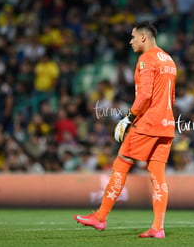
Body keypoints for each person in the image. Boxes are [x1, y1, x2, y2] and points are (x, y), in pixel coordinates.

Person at [74, 21, 177, 238]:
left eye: (132, 37)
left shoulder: (146, 59)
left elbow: (145, 95)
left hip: (148, 123)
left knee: (121, 164)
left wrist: (128, 118)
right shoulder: (168, 59)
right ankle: (158, 227)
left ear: (143, 37)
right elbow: (171, 97)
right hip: (167, 124)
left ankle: (100, 217)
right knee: (158, 176)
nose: (130, 41)